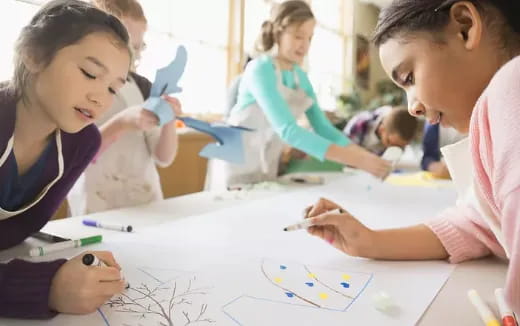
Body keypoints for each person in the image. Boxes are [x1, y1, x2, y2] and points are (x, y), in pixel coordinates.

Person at [303, 0, 520, 314]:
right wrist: (370, 241)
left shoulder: (511, 84)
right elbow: (477, 223)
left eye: (408, 78)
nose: (412, 108)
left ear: (464, 27)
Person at [0, 0, 132, 318]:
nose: (101, 98)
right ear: (33, 54)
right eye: (90, 73)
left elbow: (14, 234)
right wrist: (44, 287)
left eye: (114, 88)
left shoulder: (82, 143)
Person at [205, 0, 391, 190]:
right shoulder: (259, 69)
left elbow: (324, 128)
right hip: (234, 164)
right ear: (278, 32)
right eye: (298, 36)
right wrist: (357, 159)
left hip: (266, 167)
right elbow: (288, 130)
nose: (304, 45)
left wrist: (364, 156)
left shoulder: (301, 78)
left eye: (309, 38)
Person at [68, 0, 182, 215]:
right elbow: (75, 158)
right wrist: (121, 124)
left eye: (138, 47)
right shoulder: (77, 88)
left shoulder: (143, 88)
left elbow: (164, 158)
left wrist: (168, 120)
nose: (131, 56)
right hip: (95, 206)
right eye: (126, 45)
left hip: (145, 202)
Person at [344, 105, 419, 155]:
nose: (392, 148)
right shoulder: (358, 125)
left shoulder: (396, 138)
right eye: (389, 142)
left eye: (400, 146)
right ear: (381, 129)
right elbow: (345, 153)